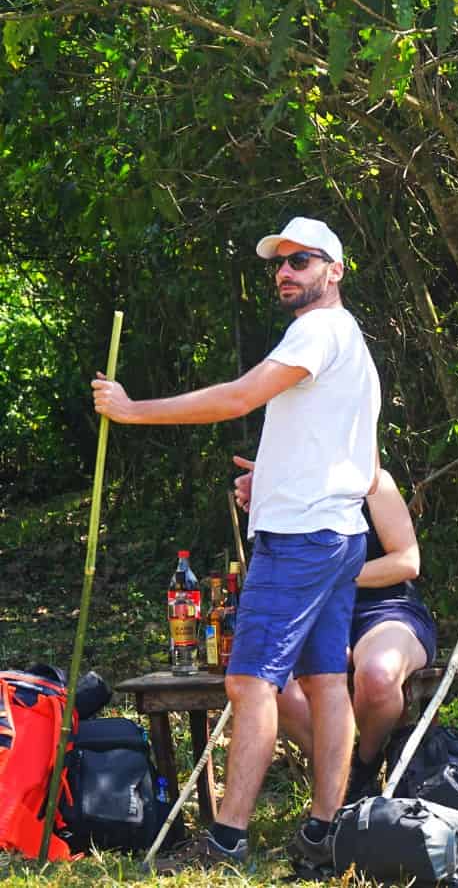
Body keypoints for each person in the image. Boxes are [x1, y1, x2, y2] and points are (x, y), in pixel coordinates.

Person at [92, 217, 380, 873]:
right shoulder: (350, 340)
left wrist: (133, 410)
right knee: (326, 681)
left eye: (301, 261)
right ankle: (324, 834)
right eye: (280, 263)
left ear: (333, 270)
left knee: (249, 682)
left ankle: (225, 843)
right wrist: (272, 478)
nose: (286, 272)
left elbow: (239, 398)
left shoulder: (318, 329)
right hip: (338, 530)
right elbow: (359, 460)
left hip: (304, 539)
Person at [234, 460, 437, 799]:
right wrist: (270, 492)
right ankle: (335, 778)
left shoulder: (374, 482)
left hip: (385, 609)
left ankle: (363, 767)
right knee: (268, 680)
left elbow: (407, 561)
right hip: (316, 612)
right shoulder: (291, 485)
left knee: (377, 675)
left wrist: (335, 577)